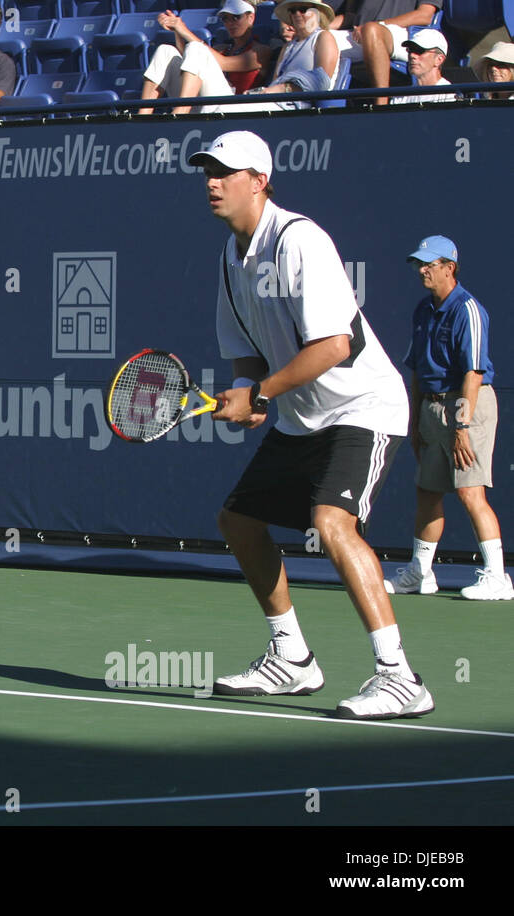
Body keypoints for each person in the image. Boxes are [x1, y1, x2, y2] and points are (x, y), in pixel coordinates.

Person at [189, 131, 432, 719]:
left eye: (225, 171)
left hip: (362, 406)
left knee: (331, 522)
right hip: (304, 418)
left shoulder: (300, 240)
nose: (212, 182)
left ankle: (399, 677)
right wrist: (248, 391)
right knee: (239, 519)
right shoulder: (230, 258)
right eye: (207, 171)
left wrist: (262, 393)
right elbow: (245, 350)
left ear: (260, 180)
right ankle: (291, 658)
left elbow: (333, 346)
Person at [385, 236, 512, 600]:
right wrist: (415, 423)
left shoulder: (467, 309)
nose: (422, 270)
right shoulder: (423, 310)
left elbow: (472, 373)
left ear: (449, 268)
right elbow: (417, 371)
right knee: (427, 492)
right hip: (431, 408)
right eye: (419, 264)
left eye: (429, 264)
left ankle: (498, 577)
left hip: (467, 406)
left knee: (470, 492)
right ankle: (420, 574)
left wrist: (461, 427)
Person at [139, 0, 274, 114]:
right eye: (225, 18)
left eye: (236, 17)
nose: (230, 23)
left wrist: (183, 29)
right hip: (205, 104)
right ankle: (142, 117)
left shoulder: (261, 51)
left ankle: (181, 112)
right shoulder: (222, 49)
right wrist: (177, 31)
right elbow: (189, 60)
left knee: (196, 48)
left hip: (235, 109)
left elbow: (225, 63)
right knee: (165, 50)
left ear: (251, 18)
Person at [221, 0, 339, 111]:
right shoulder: (288, 47)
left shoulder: (323, 37)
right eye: (293, 11)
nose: (297, 14)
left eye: (303, 9)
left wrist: (283, 88)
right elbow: (275, 83)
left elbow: (322, 80)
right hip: (278, 105)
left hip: (301, 110)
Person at [329, 0, 441, 105]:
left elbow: (424, 15)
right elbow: (352, 16)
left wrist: (380, 24)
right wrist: (321, 25)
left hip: (406, 33)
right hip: (359, 33)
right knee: (322, 38)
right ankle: (324, 106)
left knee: (371, 29)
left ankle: (381, 105)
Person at [387, 29, 459, 103]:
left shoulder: (450, 96)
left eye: (419, 50)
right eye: (410, 50)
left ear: (439, 60)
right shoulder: (400, 98)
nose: (412, 55)